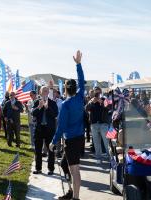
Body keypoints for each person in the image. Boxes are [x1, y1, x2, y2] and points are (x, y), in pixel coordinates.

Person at [49, 50, 85, 200]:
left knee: (74, 169)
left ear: (65, 89)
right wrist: (78, 64)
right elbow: (82, 80)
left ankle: (76, 197)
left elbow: (61, 126)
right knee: (65, 164)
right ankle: (71, 192)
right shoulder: (80, 97)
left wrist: (53, 141)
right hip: (79, 138)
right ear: (75, 88)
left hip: (72, 139)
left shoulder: (66, 104)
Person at [32, 86, 58, 175]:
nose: (45, 93)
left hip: (49, 130)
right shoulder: (36, 102)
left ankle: (51, 169)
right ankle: (38, 168)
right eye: (43, 91)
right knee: (38, 150)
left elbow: (55, 114)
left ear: (48, 93)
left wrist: (47, 108)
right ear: (40, 92)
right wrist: (39, 107)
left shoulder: (53, 103)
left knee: (51, 149)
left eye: (47, 91)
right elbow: (33, 113)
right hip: (39, 129)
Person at [86, 86, 110, 164]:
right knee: (96, 142)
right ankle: (98, 157)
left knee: (106, 142)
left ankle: (110, 157)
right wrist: (91, 102)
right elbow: (86, 109)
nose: (97, 94)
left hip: (103, 124)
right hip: (94, 124)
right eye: (96, 92)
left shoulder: (104, 99)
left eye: (98, 92)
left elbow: (109, 108)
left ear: (101, 92)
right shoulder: (91, 100)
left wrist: (101, 103)